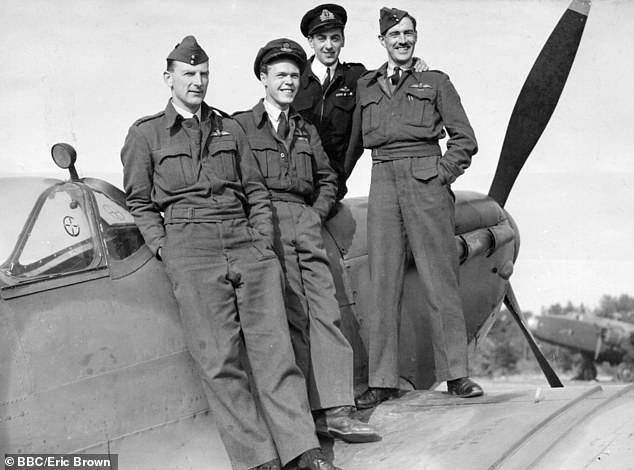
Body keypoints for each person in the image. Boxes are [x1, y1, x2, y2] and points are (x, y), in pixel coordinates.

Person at [121, 36, 339, 470]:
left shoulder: (229, 128)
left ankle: (303, 449)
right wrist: (166, 247)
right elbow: (140, 202)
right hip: (190, 245)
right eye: (188, 74)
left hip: (244, 242)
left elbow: (256, 192)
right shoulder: (144, 134)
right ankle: (259, 459)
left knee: (275, 351)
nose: (198, 82)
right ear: (169, 79)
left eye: (203, 74)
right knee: (219, 360)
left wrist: (260, 241)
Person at [233, 38, 380, 445]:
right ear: (263, 78)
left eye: (295, 76)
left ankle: (337, 410)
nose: (288, 82)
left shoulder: (305, 129)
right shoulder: (241, 126)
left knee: (325, 312)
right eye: (280, 75)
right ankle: (304, 413)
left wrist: (315, 213)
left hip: (305, 220)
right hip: (266, 223)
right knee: (289, 317)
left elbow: (329, 177)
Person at [345, 8, 484, 409]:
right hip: (382, 180)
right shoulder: (367, 87)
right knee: (383, 282)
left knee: (440, 277)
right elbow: (355, 145)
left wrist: (441, 175)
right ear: (382, 41)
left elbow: (464, 139)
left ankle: (456, 375)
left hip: (426, 180)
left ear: (415, 37)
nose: (402, 40)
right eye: (394, 35)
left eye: (408, 33)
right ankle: (383, 380)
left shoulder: (435, 82)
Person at [294, 3, 428, 202]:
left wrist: (410, 63)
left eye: (335, 38)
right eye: (321, 38)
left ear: (343, 41)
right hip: (294, 182)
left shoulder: (356, 77)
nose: (329, 46)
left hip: (332, 185)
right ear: (310, 42)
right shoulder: (293, 77)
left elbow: (389, 81)